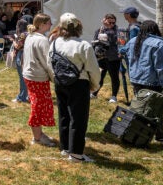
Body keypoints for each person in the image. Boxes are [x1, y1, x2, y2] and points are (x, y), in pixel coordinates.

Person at [49, 13, 100, 162]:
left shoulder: (54, 43)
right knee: (78, 118)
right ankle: (76, 154)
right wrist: (94, 86)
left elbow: (50, 63)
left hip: (60, 83)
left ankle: (65, 148)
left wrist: (56, 79)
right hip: (79, 83)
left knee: (64, 114)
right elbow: (93, 69)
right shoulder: (83, 45)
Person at [120, 20, 163, 143]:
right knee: (156, 109)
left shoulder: (133, 41)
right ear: (156, 30)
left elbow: (122, 51)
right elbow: (162, 68)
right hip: (152, 82)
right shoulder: (158, 44)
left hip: (136, 79)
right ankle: (156, 135)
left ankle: (134, 131)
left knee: (140, 107)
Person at [21, 13, 56, 147]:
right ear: (41, 24)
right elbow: (48, 62)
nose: (51, 25)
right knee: (38, 106)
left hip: (30, 75)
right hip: (37, 76)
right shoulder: (41, 39)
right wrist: (54, 78)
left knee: (39, 104)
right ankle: (37, 137)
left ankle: (39, 133)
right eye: (49, 23)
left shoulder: (31, 36)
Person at [92, 13, 120, 102]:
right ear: (104, 20)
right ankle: (94, 93)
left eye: (113, 23)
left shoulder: (117, 31)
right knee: (99, 76)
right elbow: (95, 42)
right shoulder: (99, 30)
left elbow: (113, 40)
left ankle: (114, 96)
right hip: (101, 57)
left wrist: (107, 30)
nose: (111, 24)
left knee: (114, 77)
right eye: (110, 22)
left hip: (113, 58)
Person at [12, 19, 29, 103]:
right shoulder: (29, 33)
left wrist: (13, 41)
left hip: (21, 55)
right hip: (28, 55)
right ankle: (27, 95)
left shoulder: (22, 35)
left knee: (22, 77)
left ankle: (22, 97)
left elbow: (18, 46)